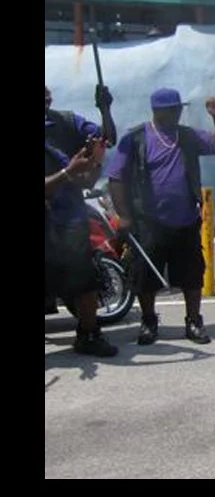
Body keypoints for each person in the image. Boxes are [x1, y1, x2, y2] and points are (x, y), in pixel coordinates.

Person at [106, 88, 215, 345]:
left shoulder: (187, 136)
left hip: (185, 218)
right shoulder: (136, 139)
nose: (177, 113)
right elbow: (116, 178)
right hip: (148, 220)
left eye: (179, 108)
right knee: (145, 276)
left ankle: (193, 320)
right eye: (172, 109)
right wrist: (125, 217)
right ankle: (149, 321)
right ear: (158, 111)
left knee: (192, 272)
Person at [45, 139, 118, 357]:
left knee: (87, 283)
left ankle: (89, 335)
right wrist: (68, 171)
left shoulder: (53, 151)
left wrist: (95, 160)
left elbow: (85, 181)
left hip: (68, 228)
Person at [45, 83, 117, 184]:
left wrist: (105, 109)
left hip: (71, 198)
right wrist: (68, 172)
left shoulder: (65, 121)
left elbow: (107, 140)